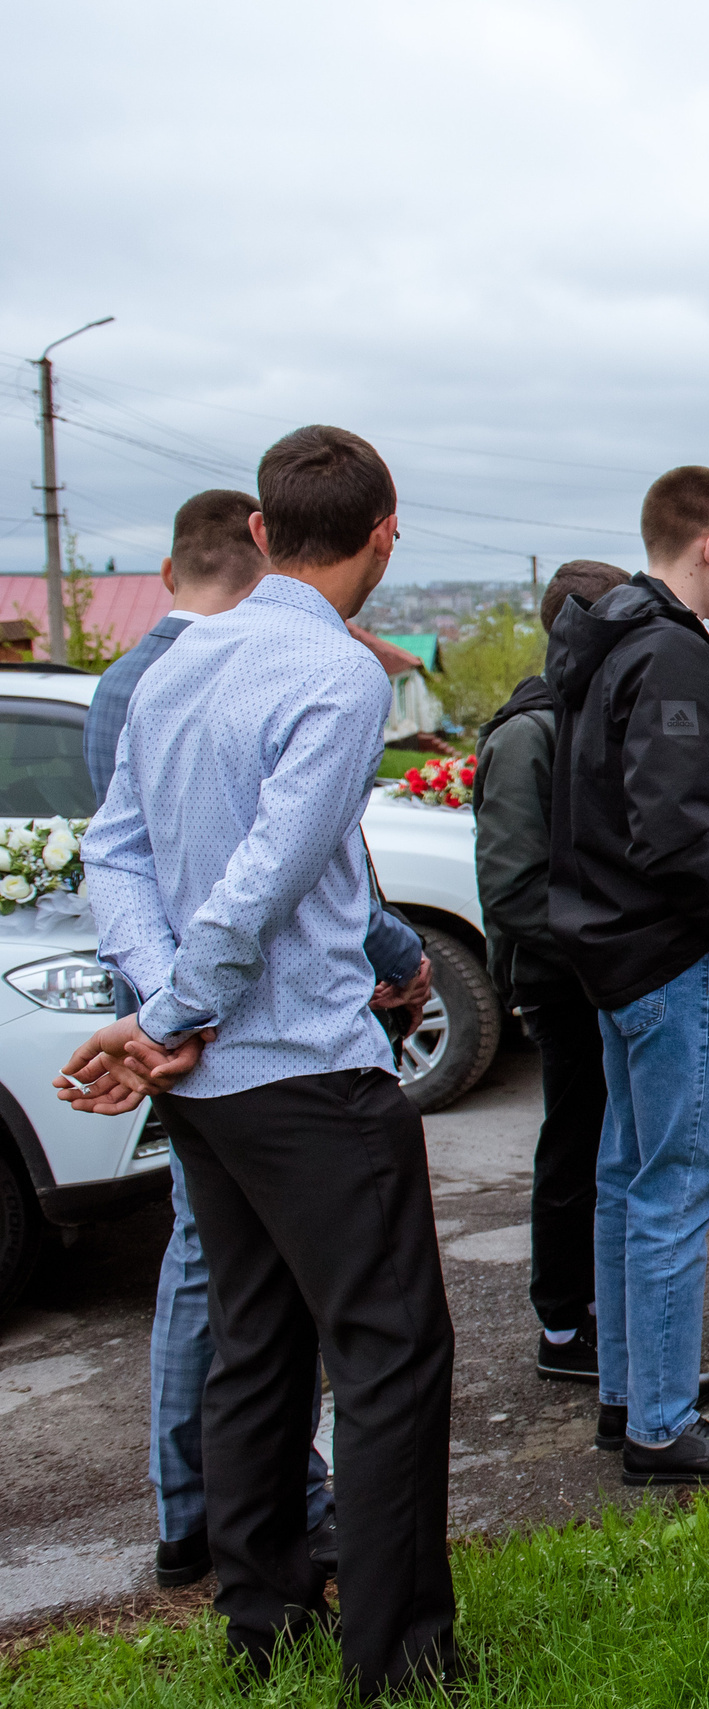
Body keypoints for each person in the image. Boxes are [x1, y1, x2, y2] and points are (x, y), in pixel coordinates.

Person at [61, 427, 460, 1697]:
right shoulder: (338, 678)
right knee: (391, 1357)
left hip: (211, 1091)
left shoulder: (172, 665)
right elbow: (268, 879)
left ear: (262, 532)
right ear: (382, 536)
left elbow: (110, 855)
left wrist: (157, 1010)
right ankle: (398, 1658)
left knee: (256, 1347)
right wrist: (173, 1010)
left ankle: (263, 1618)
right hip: (303, 1072)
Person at [547, 465, 709, 1484]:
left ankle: (627, 1392)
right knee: (675, 1186)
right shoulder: (676, 655)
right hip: (672, 955)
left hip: (609, 950)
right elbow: (670, 822)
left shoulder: (604, 642)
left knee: (624, 1175)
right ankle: (662, 1424)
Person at [474, 559, 630, 1389]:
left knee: (606, 1151)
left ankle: (605, 1320)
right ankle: (565, 1327)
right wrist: (610, 941)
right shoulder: (528, 734)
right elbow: (509, 887)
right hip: (563, 979)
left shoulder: (583, 718)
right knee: (575, 1152)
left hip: (597, 972)